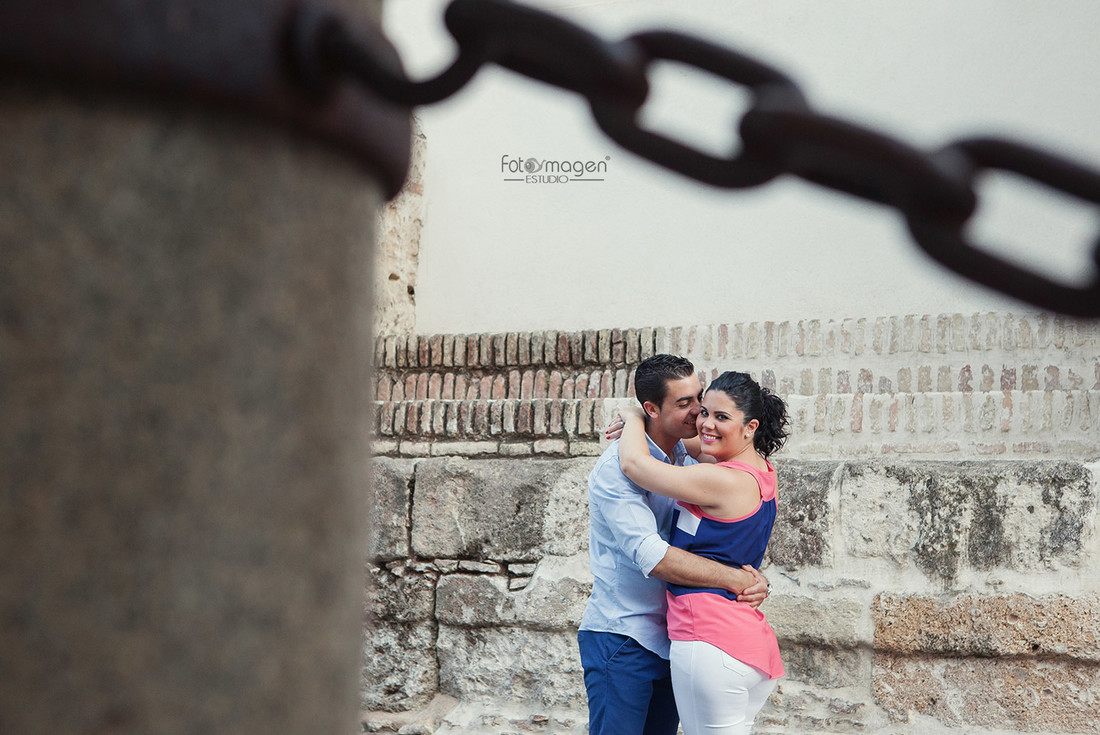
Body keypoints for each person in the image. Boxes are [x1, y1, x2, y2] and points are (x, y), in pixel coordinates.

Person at [578, 355, 770, 735]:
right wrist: (735, 579)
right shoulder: (615, 469)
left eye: (697, 397)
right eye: (684, 404)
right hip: (624, 637)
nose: (698, 412)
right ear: (652, 408)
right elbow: (654, 558)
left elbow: (722, 534)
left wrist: (752, 576)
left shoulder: (689, 455)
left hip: (676, 636)